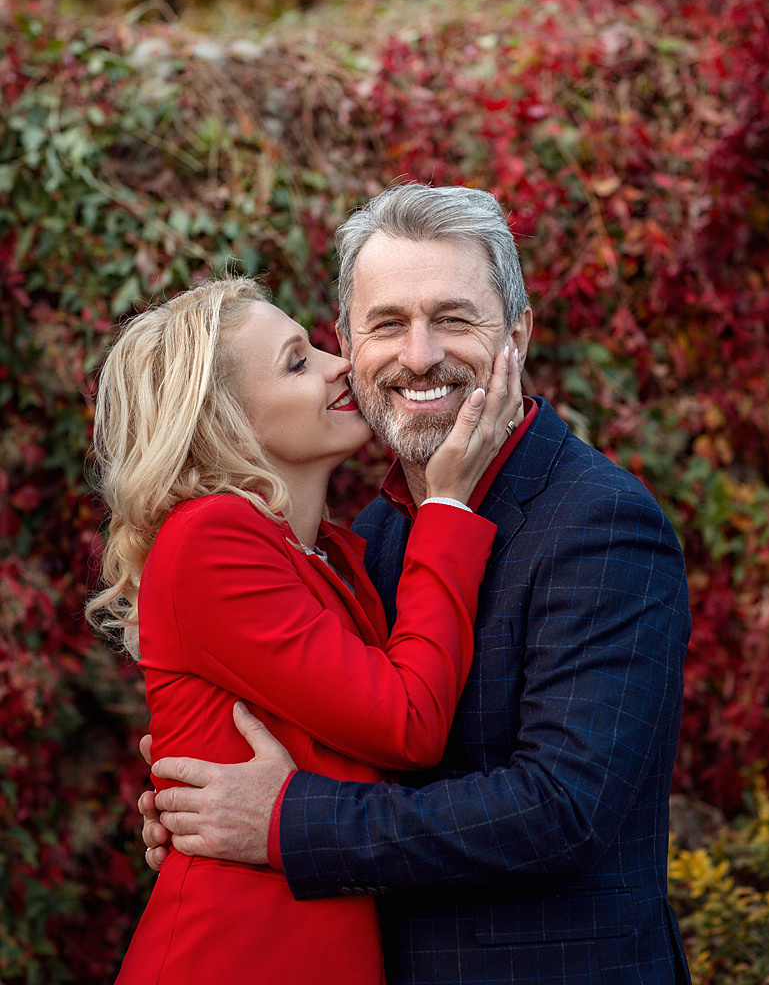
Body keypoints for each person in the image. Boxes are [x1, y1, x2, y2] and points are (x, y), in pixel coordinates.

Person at [141, 183, 694, 985]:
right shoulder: (377, 533)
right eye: (389, 324)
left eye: (454, 319)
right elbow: (334, 722)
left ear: (518, 335)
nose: (421, 355)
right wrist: (193, 784)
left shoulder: (601, 522)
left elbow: (562, 809)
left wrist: (284, 822)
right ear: (349, 344)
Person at [86, 272, 522, 985]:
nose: (340, 364)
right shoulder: (209, 538)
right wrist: (448, 506)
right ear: (224, 419)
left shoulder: (342, 552)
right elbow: (407, 720)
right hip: (234, 954)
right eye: (298, 361)